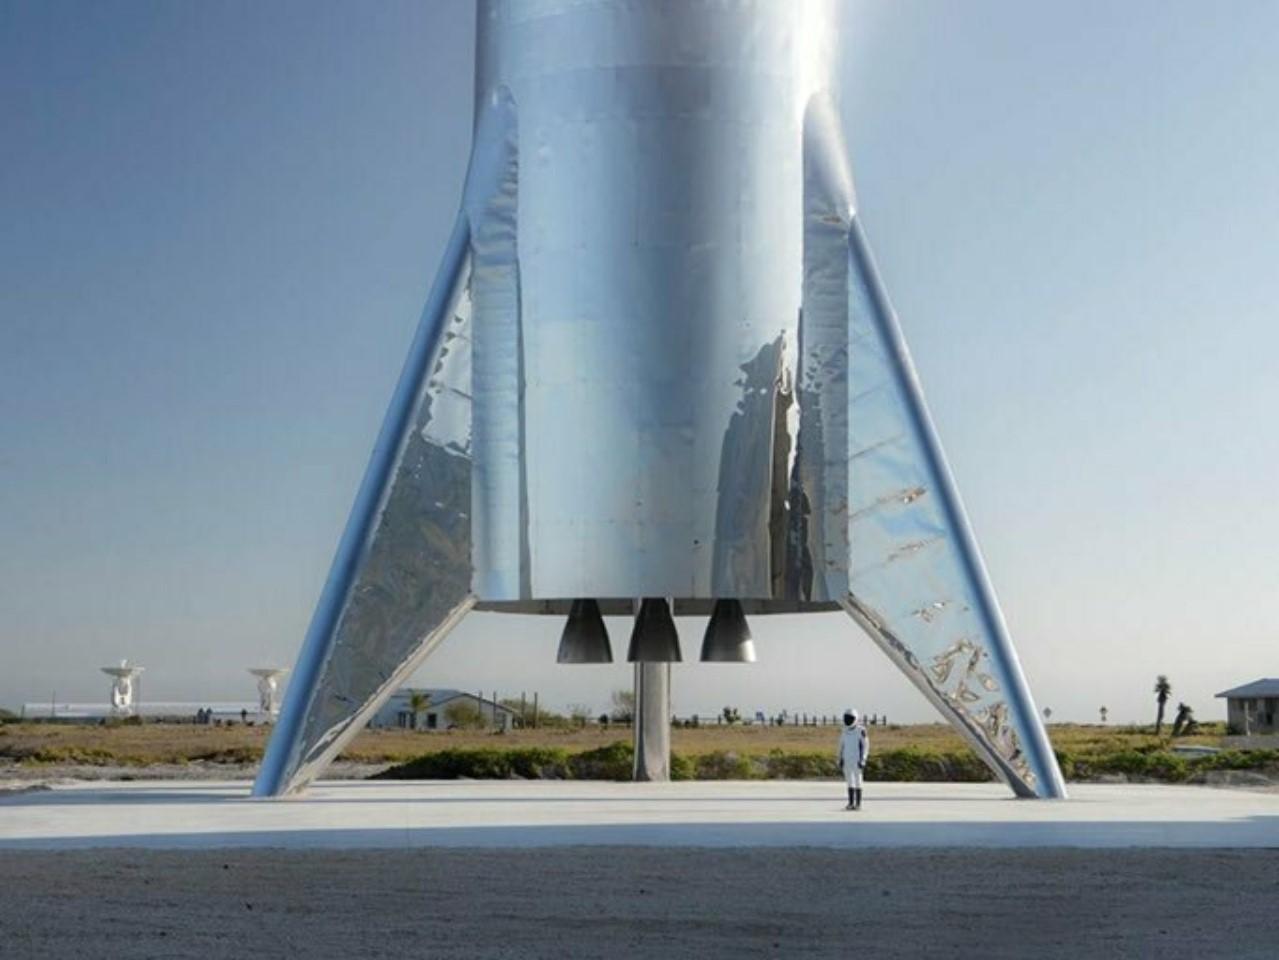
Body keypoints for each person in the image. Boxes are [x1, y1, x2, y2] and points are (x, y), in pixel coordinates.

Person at [836, 708, 869, 811]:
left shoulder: (861, 731)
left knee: (858, 781)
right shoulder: (844, 731)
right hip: (847, 760)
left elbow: (866, 746)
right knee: (850, 782)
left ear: (855, 718)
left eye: (850, 718)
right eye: (846, 718)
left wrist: (863, 759)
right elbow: (840, 746)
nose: (847, 720)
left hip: (857, 761)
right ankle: (851, 803)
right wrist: (839, 758)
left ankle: (858, 804)